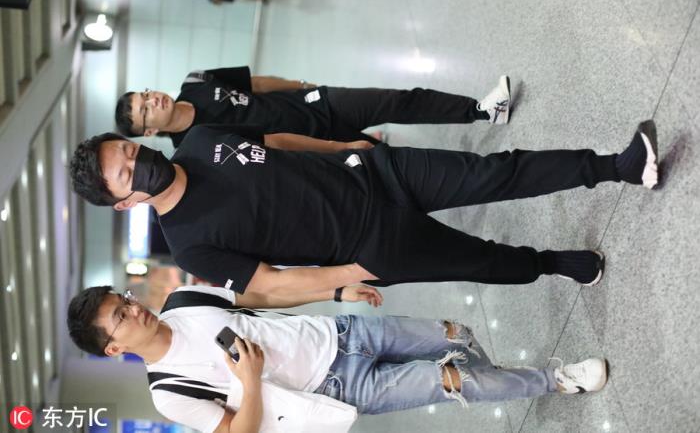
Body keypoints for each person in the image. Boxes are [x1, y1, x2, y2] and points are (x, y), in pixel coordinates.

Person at [69, 119, 659, 298]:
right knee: (480, 261)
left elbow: (276, 141)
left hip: (373, 173)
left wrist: (341, 147)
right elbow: (270, 283)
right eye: (126, 173)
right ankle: (551, 264)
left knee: (494, 171)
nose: (138, 161)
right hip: (368, 247)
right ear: (124, 203)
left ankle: (617, 166)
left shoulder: (200, 141)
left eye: (129, 150)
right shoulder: (189, 243)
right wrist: (348, 277)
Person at [67, 284, 609, 433]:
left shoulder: (183, 299)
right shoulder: (168, 393)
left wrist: (336, 291)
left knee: (456, 334)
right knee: (451, 382)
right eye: (120, 318)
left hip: (343, 331)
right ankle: (556, 380)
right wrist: (250, 382)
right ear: (114, 349)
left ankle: (497, 377)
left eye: (125, 300)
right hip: (335, 388)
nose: (134, 310)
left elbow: (265, 294)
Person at [114, 67, 512, 148]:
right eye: (145, 111)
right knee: (390, 159)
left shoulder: (196, 81)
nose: (152, 100)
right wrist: (337, 150)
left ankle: (482, 110)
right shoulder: (195, 146)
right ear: (150, 132)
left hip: (314, 102)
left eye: (145, 95)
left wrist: (304, 86)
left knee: (397, 100)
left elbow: (256, 83)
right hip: (316, 143)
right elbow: (270, 148)